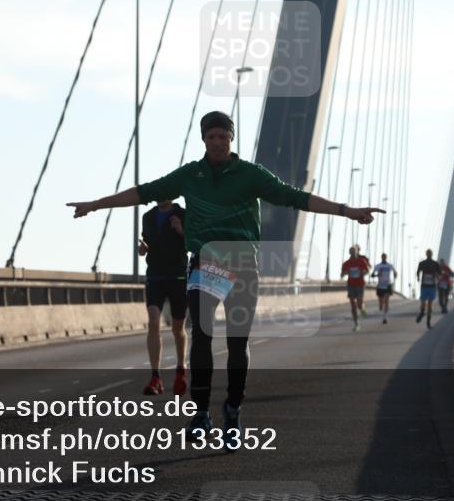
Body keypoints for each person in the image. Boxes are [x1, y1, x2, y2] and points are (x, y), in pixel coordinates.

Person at [68, 111, 383, 451]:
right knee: (201, 336)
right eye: (211, 137)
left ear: (231, 139)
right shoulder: (191, 175)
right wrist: (97, 204)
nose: (217, 143)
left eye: (223, 137)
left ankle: (233, 412)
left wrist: (346, 210)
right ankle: (200, 414)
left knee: (237, 343)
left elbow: (295, 197)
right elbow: (144, 192)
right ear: (204, 139)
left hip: (244, 266)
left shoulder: (250, 174)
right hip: (207, 264)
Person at [138, 200, 188, 396]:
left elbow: (193, 243)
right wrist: (143, 249)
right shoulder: (148, 217)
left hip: (178, 277)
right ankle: (155, 377)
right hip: (155, 276)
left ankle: (180, 370)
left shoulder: (183, 214)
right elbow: (148, 243)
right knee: (153, 321)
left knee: (178, 328)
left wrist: (181, 230)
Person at [340, 247, 371, 331]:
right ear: (349, 253)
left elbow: (367, 271)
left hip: (360, 284)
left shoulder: (362, 261)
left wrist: (363, 273)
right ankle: (356, 324)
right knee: (353, 305)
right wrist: (345, 273)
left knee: (359, 304)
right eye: (351, 252)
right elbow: (342, 274)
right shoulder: (346, 263)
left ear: (357, 252)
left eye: (354, 252)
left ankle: (362, 308)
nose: (353, 253)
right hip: (351, 285)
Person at [416, 249, 440, 328]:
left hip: (432, 286)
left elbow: (439, 273)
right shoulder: (422, 263)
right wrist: (418, 277)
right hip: (424, 285)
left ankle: (428, 322)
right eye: (428, 253)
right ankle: (422, 313)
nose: (429, 254)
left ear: (432, 254)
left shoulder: (435, 264)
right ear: (426, 254)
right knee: (423, 302)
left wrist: (438, 277)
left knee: (430, 305)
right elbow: (418, 271)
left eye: (430, 253)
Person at [371, 253, 397, 323]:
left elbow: (395, 272)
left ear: (386, 257)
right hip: (380, 285)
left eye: (385, 257)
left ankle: (384, 318)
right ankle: (381, 307)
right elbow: (372, 275)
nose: (384, 258)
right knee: (381, 303)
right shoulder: (378, 266)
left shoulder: (390, 265)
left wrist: (395, 275)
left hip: (388, 285)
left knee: (386, 301)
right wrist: (377, 275)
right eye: (383, 257)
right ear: (381, 258)